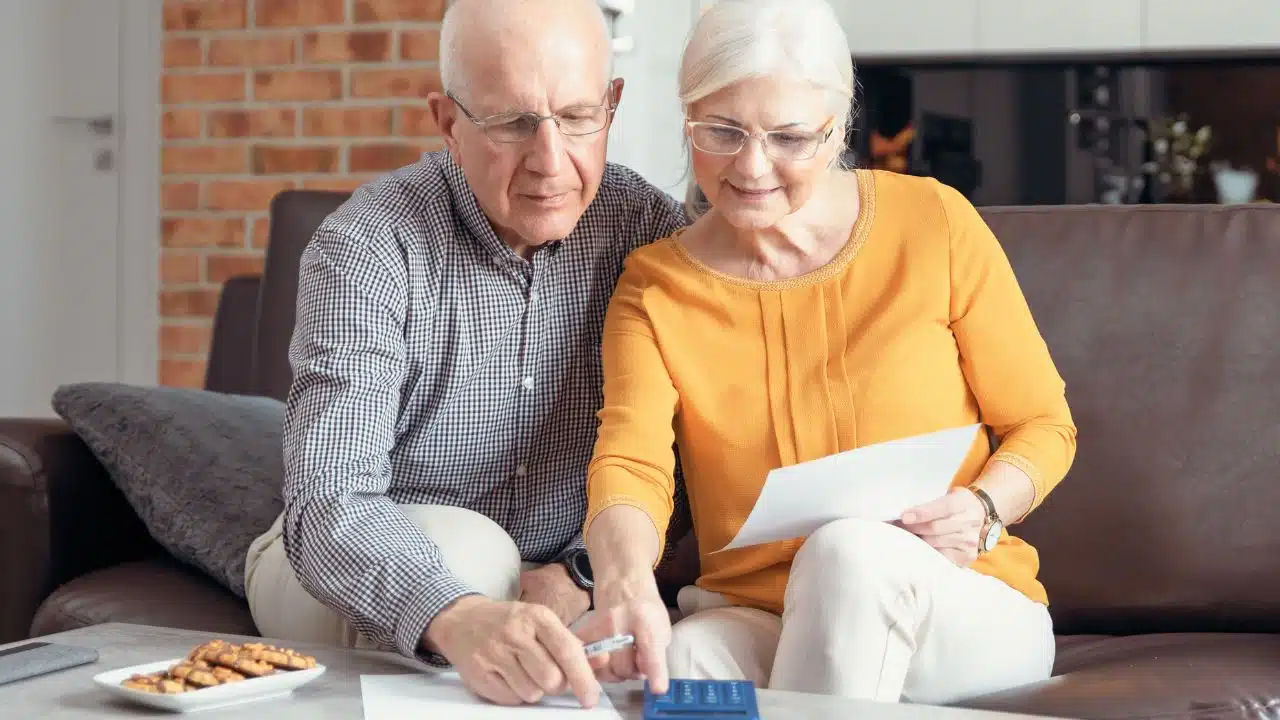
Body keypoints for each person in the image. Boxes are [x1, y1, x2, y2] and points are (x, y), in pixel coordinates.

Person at [577, 0, 1077, 706]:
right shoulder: (656, 287)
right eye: (721, 131)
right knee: (683, 655)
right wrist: (625, 587)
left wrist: (985, 507)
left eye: (788, 137)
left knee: (848, 555)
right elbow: (631, 466)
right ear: (687, 119)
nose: (751, 167)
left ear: (837, 128)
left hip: (959, 604)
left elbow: (1044, 425)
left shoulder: (933, 223)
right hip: (757, 616)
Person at [242, 0, 689, 709]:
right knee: (473, 555)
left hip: (559, 576)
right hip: (353, 562)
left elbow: (688, 471)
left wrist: (577, 572)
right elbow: (331, 504)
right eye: (513, 123)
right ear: (447, 122)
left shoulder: (655, 235)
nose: (551, 162)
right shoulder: (364, 248)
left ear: (613, 104)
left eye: (577, 117)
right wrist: (461, 612)